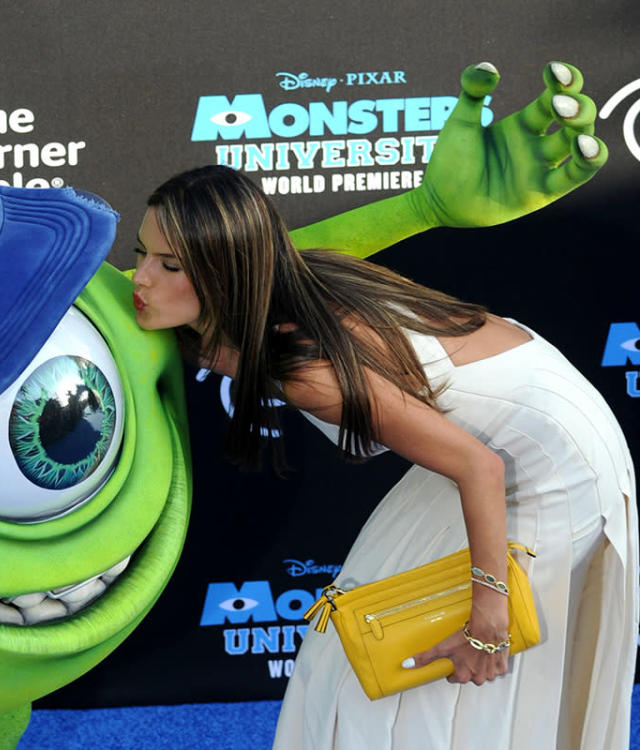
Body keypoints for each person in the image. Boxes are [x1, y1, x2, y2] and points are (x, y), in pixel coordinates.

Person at [130, 77, 637, 750]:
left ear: (227, 275)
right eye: (142, 253)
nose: (139, 277)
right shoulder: (287, 275)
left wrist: (488, 611)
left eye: (169, 265)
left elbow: (477, 465)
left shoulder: (304, 364)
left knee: (435, 683)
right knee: (352, 646)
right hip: (510, 426)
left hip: (544, 460)